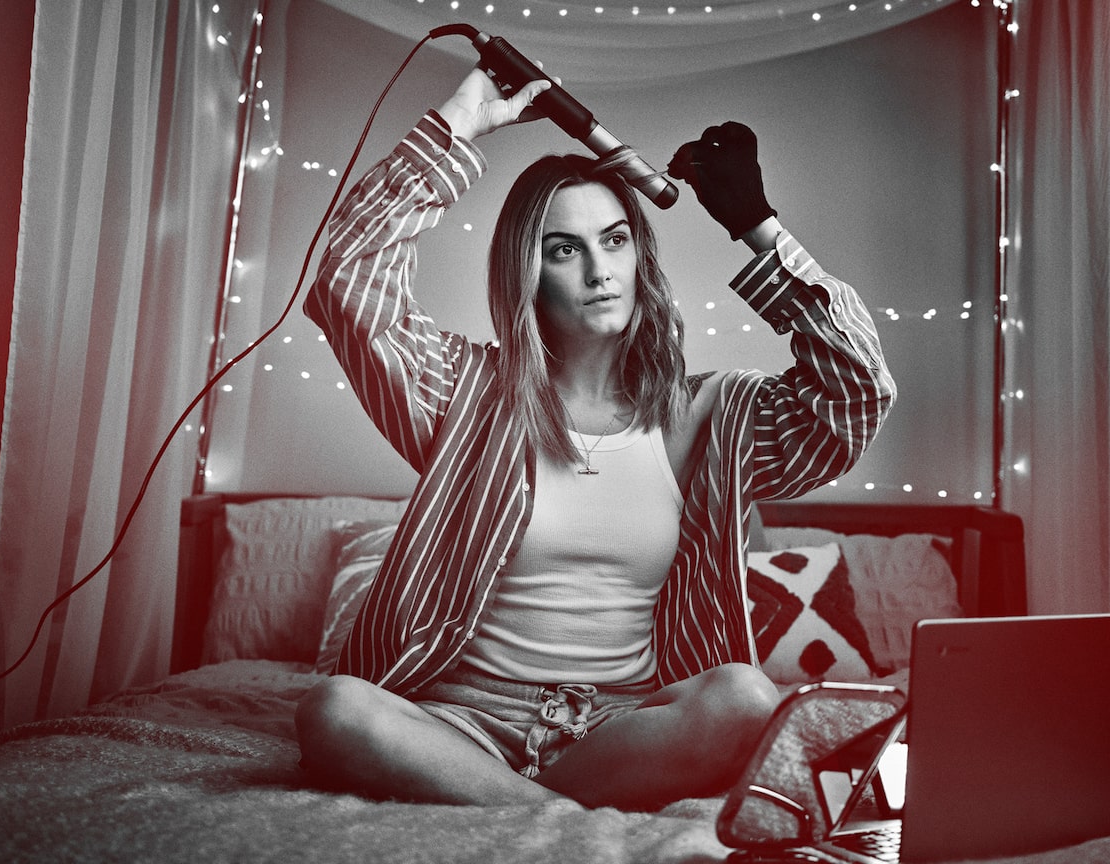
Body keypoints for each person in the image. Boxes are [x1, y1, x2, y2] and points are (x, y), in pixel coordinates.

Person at [296, 67, 896, 811]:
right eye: (563, 249)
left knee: (745, 698)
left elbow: (857, 395)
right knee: (334, 709)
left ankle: (499, 804)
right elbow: (347, 284)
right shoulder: (463, 394)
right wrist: (457, 125)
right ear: (527, 271)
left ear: (640, 256)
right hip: (460, 721)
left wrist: (758, 227)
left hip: (619, 725)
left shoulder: (704, 416)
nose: (599, 270)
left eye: (614, 240)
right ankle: (551, 815)